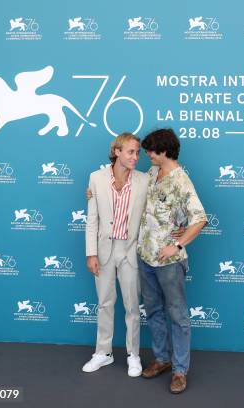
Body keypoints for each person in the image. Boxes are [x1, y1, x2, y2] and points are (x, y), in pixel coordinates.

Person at [137, 128, 207, 394]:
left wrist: (177, 244)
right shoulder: (152, 173)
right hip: (145, 256)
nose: (147, 155)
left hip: (168, 262)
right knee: (153, 311)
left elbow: (199, 218)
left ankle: (180, 370)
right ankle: (162, 359)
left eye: (151, 151)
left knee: (177, 315)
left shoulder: (181, 181)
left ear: (164, 151)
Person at [83, 133, 148, 377]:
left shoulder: (144, 180)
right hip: (104, 251)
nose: (135, 157)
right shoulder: (96, 178)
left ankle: (134, 355)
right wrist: (91, 253)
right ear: (117, 151)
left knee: (132, 306)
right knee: (104, 303)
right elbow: (92, 221)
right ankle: (103, 353)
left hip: (131, 251)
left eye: (138, 152)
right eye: (130, 152)